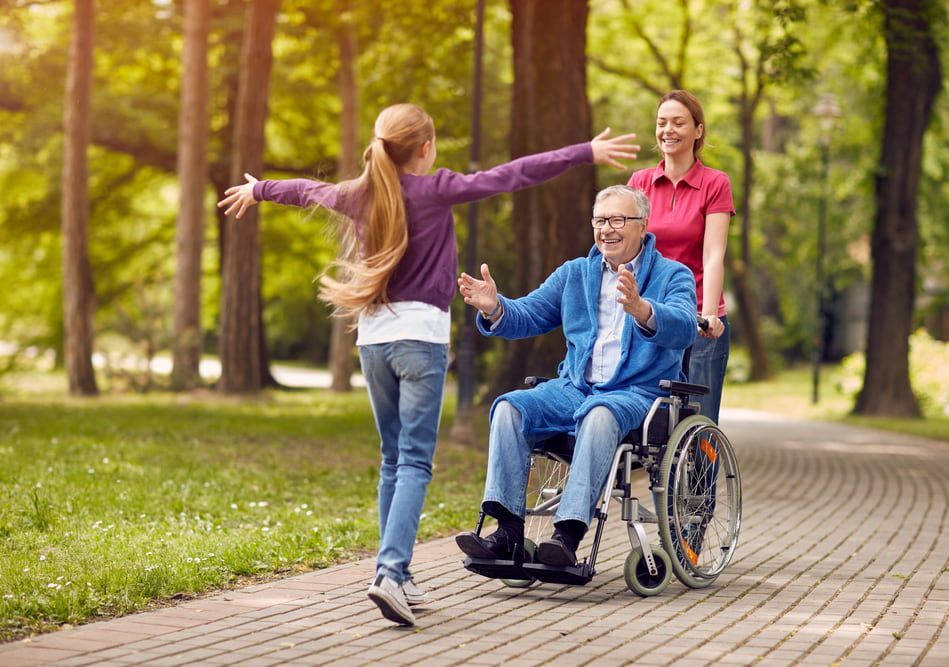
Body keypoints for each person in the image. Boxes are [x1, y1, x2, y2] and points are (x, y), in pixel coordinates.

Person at [217, 103, 640, 626]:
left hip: (373, 342)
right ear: (425, 148)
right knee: (414, 461)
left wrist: (260, 189)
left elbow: (307, 190)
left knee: (392, 459)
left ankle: (400, 574)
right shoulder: (435, 188)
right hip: (419, 342)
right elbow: (510, 176)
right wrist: (586, 152)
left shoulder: (360, 192)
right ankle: (391, 574)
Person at [454, 185, 697, 567]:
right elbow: (529, 315)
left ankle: (566, 537)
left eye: (618, 220)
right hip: (574, 388)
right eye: (600, 220)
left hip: (635, 393)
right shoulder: (575, 274)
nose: (607, 229)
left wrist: (642, 309)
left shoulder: (672, 275)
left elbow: (685, 328)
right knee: (509, 409)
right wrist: (495, 308)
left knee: (599, 413)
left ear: (642, 226)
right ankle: (507, 532)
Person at [627, 90, 735, 425]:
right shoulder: (640, 182)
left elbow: (714, 254)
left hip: (700, 317)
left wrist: (707, 315)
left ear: (698, 130)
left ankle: (702, 479)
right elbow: (627, 252)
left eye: (678, 122)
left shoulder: (715, 183)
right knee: (646, 420)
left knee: (699, 420)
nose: (668, 130)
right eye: (662, 123)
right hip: (652, 315)